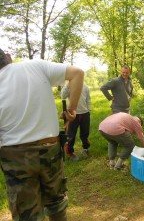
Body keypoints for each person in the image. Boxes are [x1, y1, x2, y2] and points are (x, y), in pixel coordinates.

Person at [0, 48, 84, 221]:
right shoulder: (35, 66)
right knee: (56, 202)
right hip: (50, 148)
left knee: (27, 214)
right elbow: (77, 73)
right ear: (9, 57)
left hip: (15, 156)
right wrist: (72, 109)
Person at [61, 83, 91, 161]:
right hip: (72, 114)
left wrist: (88, 110)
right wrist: (67, 85)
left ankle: (85, 149)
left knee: (85, 133)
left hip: (85, 113)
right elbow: (63, 96)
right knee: (71, 135)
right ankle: (70, 152)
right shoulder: (68, 86)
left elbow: (88, 99)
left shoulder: (85, 87)